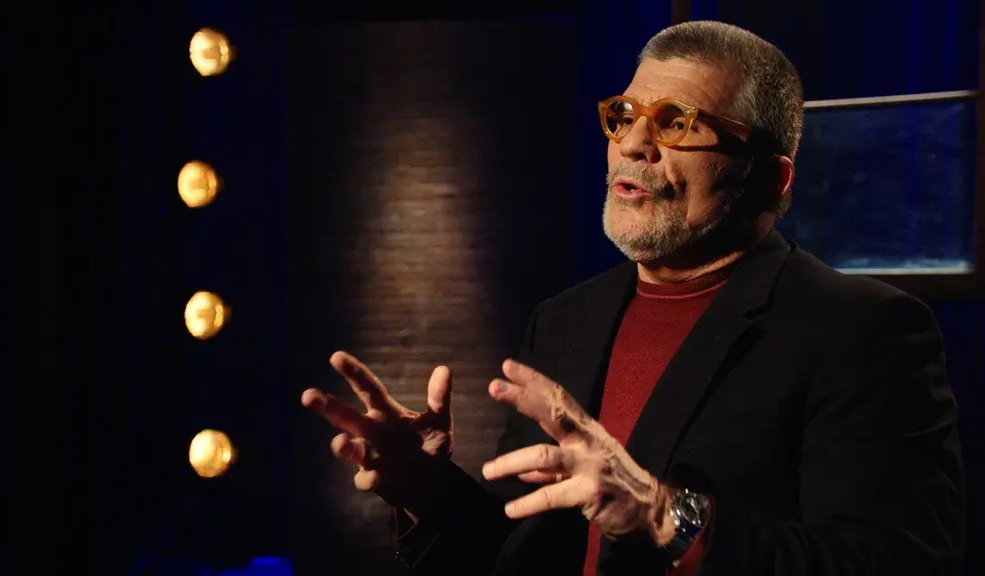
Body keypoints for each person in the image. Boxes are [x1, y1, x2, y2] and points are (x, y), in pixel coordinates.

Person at [301, 20, 965, 575]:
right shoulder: (565, 321)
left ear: (770, 179)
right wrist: (426, 491)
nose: (635, 144)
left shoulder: (861, 330)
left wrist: (661, 515)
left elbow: (896, 561)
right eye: (624, 116)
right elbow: (520, 557)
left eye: (677, 123)